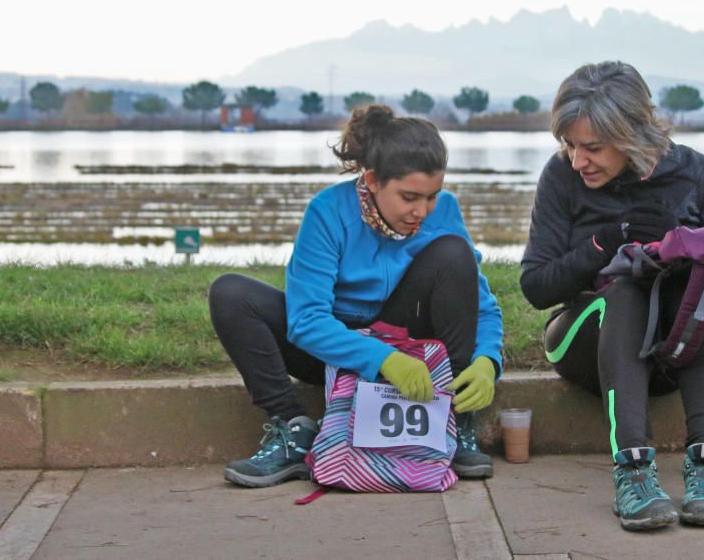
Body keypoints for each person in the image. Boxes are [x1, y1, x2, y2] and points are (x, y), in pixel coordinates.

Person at [210, 103, 503, 488]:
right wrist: (383, 359)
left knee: (454, 253)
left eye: (432, 196)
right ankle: (294, 431)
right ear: (373, 180)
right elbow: (306, 321)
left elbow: (481, 305)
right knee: (230, 293)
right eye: (410, 197)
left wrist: (487, 361)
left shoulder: (443, 211)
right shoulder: (327, 212)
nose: (423, 211)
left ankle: (453, 421)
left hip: (410, 339)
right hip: (334, 352)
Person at [520, 61, 704, 531]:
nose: (579, 161)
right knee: (623, 292)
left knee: (697, 290)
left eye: (592, 148)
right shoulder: (561, 177)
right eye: (571, 146)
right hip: (584, 342)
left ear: (632, 133)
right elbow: (536, 287)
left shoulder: (696, 173)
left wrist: (696, 250)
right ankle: (634, 472)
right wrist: (604, 242)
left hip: (672, 352)